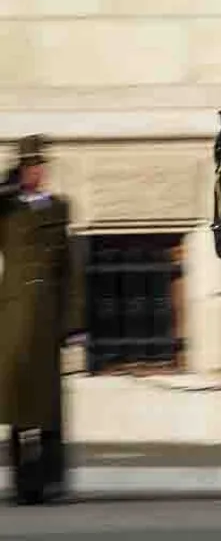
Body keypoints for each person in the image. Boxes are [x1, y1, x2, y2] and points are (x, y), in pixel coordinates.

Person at [0, 134, 85, 506]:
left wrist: (74, 322)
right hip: (15, 319)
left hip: (49, 315)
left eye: (40, 166)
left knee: (50, 405)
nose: (37, 173)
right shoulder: (8, 210)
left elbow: (70, 271)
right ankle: (23, 483)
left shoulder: (57, 208)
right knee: (19, 406)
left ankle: (52, 478)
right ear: (21, 171)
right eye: (30, 167)